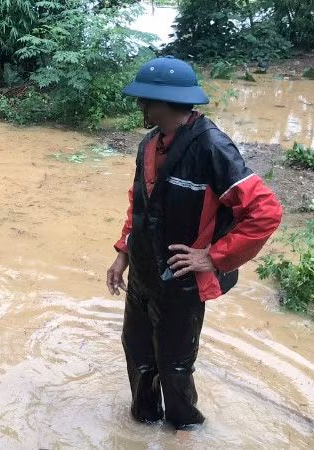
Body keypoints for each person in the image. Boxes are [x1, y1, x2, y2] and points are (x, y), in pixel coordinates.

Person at [105, 56, 283, 430]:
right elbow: (139, 203)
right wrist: (123, 253)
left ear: (164, 104)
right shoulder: (150, 144)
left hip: (181, 282)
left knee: (175, 367)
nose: (140, 106)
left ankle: (186, 432)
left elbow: (265, 212)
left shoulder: (212, 147)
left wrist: (214, 257)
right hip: (143, 272)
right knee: (137, 353)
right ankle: (142, 425)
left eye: (145, 100)